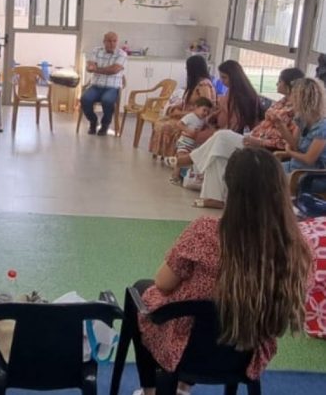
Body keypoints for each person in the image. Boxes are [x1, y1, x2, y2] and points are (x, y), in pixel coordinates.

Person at [126, 147, 313, 395]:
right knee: (212, 308)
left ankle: (151, 391)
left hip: (188, 350)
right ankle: (182, 387)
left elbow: (163, 283)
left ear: (229, 187)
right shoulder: (295, 245)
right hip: (249, 352)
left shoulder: (205, 231)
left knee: (142, 290)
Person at [174, 67, 305, 209]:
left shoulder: (298, 110)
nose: (276, 84)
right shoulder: (282, 102)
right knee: (217, 153)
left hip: (264, 148)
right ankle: (215, 198)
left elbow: (287, 142)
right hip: (252, 138)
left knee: (221, 136)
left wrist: (259, 141)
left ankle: (190, 159)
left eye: (280, 81)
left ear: (289, 84)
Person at [149, 55, 216, 157]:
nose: (186, 70)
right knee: (160, 121)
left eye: (187, 67)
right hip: (188, 115)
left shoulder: (204, 85)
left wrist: (180, 113)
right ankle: (165, 154)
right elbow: (189, 101)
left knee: (165, 126)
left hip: (195, 119)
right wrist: (176, 107)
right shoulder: (197, 83)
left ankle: (176, 156)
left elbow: (205, 108)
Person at [275, 77, 326, 184]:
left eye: (293, 95)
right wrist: (282, 128)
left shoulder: (322, 127)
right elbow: (295, 145)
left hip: (311, 175)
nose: (290, 99)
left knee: (267, 179)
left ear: (303, 99)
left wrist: (289, 152)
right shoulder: (302, 119)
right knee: (261, 169)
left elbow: (309, 159)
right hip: (295, 167)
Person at [80, 32, 127, 136]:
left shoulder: (122, 54)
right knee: (84, 99)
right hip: (96, 86)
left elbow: (114, 70)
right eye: (109, 41)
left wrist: (96, 69)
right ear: (104, 42)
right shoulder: (96, 51)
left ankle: (105, 125)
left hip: (112, 87)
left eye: (114, 41)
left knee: (107, 101)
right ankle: (93, 121)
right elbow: (90, 67)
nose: (112, 43)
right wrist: (91, 67)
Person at [166, 97, 213, 185]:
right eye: (204, 110)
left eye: (208, 112)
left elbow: (206, 126)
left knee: (188, 160)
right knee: (181, 160)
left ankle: (184, 176)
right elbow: (179, 124)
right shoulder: (190, 116)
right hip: (184, 142)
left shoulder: (203, 120)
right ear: (196, 107)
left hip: (193, 144)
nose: (205, 113)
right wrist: (188, 130)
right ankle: (174, 177)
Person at [211, 60, 260, 133]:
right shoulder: (231, 90)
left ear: (234, 77)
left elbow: (236, 123)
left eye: (224, 77)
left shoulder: (241, 96)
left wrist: (218, 133)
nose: (221, 81)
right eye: (221, 77)